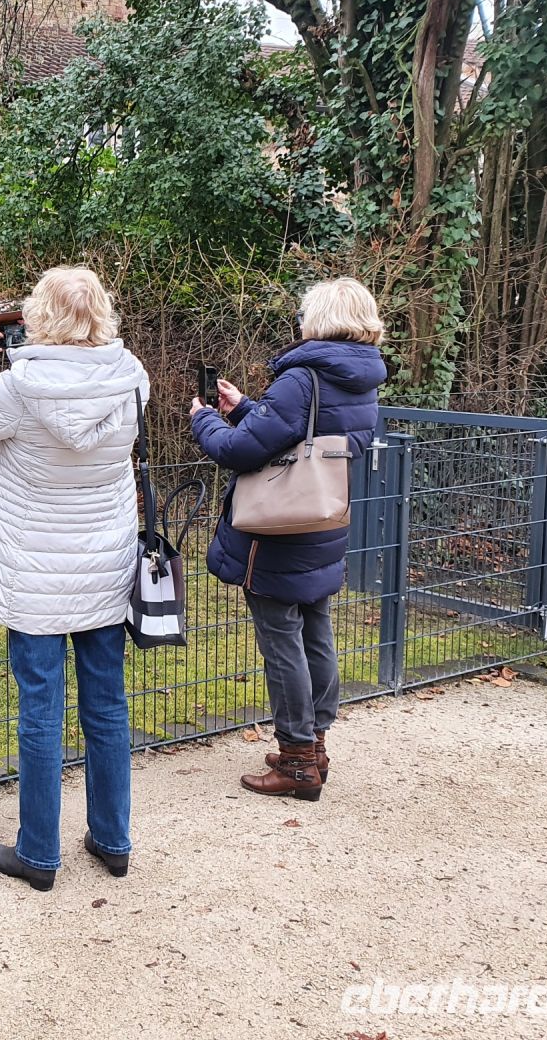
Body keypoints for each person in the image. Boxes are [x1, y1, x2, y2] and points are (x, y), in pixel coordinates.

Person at [0, 266, 149, 890]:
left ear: (38, 316)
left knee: (41, 710)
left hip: (34, 574)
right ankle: (113, 840)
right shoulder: (131, 376)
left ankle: (39, 855)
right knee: (107, 705)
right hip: (103, 564)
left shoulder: (21, 387)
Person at [190, 277, 387, 800]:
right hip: (322, 521)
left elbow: (242, 451)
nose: (299, 320)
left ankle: (297, 759)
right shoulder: (360, 379)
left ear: (319, 318)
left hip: (279, 529)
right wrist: (244, 407)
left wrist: (206, 421)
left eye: (304, 312)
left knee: (282, 642)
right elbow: (301, 438)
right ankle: (315, 745)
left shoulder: (302, 377)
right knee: (316, 630)